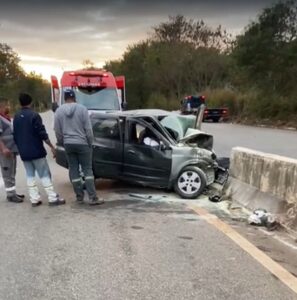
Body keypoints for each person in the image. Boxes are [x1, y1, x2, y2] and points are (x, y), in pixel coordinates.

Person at [13, 93, 65, 207]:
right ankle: (52, 197)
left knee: (30, 175)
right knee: (44, 174)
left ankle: (34, 199)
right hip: (36, 151)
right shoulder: (34, 115)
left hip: (24, 152)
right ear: (30, 102)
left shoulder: (16, 116)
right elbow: (42, 133)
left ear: (20, 103)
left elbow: (15, 135)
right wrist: (51, 146)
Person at [54, 90, 104, 205]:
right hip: (82, 143)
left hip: (68, 144)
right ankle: (92, 198)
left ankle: (79, 197)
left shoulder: (59, 111)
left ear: (64, 98)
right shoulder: (82, 109)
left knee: (73, 169)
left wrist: (62, 142)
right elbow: (88, 129)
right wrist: (90, 142)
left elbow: (57, 130)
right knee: (87, 170)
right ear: (74, 98)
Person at [0, 97, 24, 203]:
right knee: (7, 171)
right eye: (5, 105)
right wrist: (3, 148)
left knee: (12, 171)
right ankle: (10, 195)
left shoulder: (5, 117)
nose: (7, 107)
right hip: (5, 150)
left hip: (12, 149)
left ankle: (13, 192)